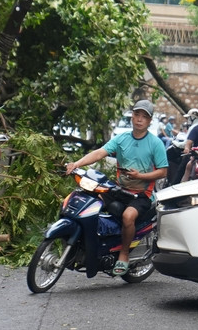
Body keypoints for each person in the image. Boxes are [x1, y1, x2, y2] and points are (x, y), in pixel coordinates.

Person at [64, 99, 167, 276]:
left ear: (149, 121)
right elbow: (99, 153)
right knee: (88, 202)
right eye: (137, 114)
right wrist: (76, 164)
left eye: (144, 117)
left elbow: (163, 171)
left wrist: (140, 176)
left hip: (142, 195)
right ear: (132, 116)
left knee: (128, 217)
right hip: (119, 189)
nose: (139, 119)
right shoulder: (122, 139)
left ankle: (124, 254)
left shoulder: (155, 143)